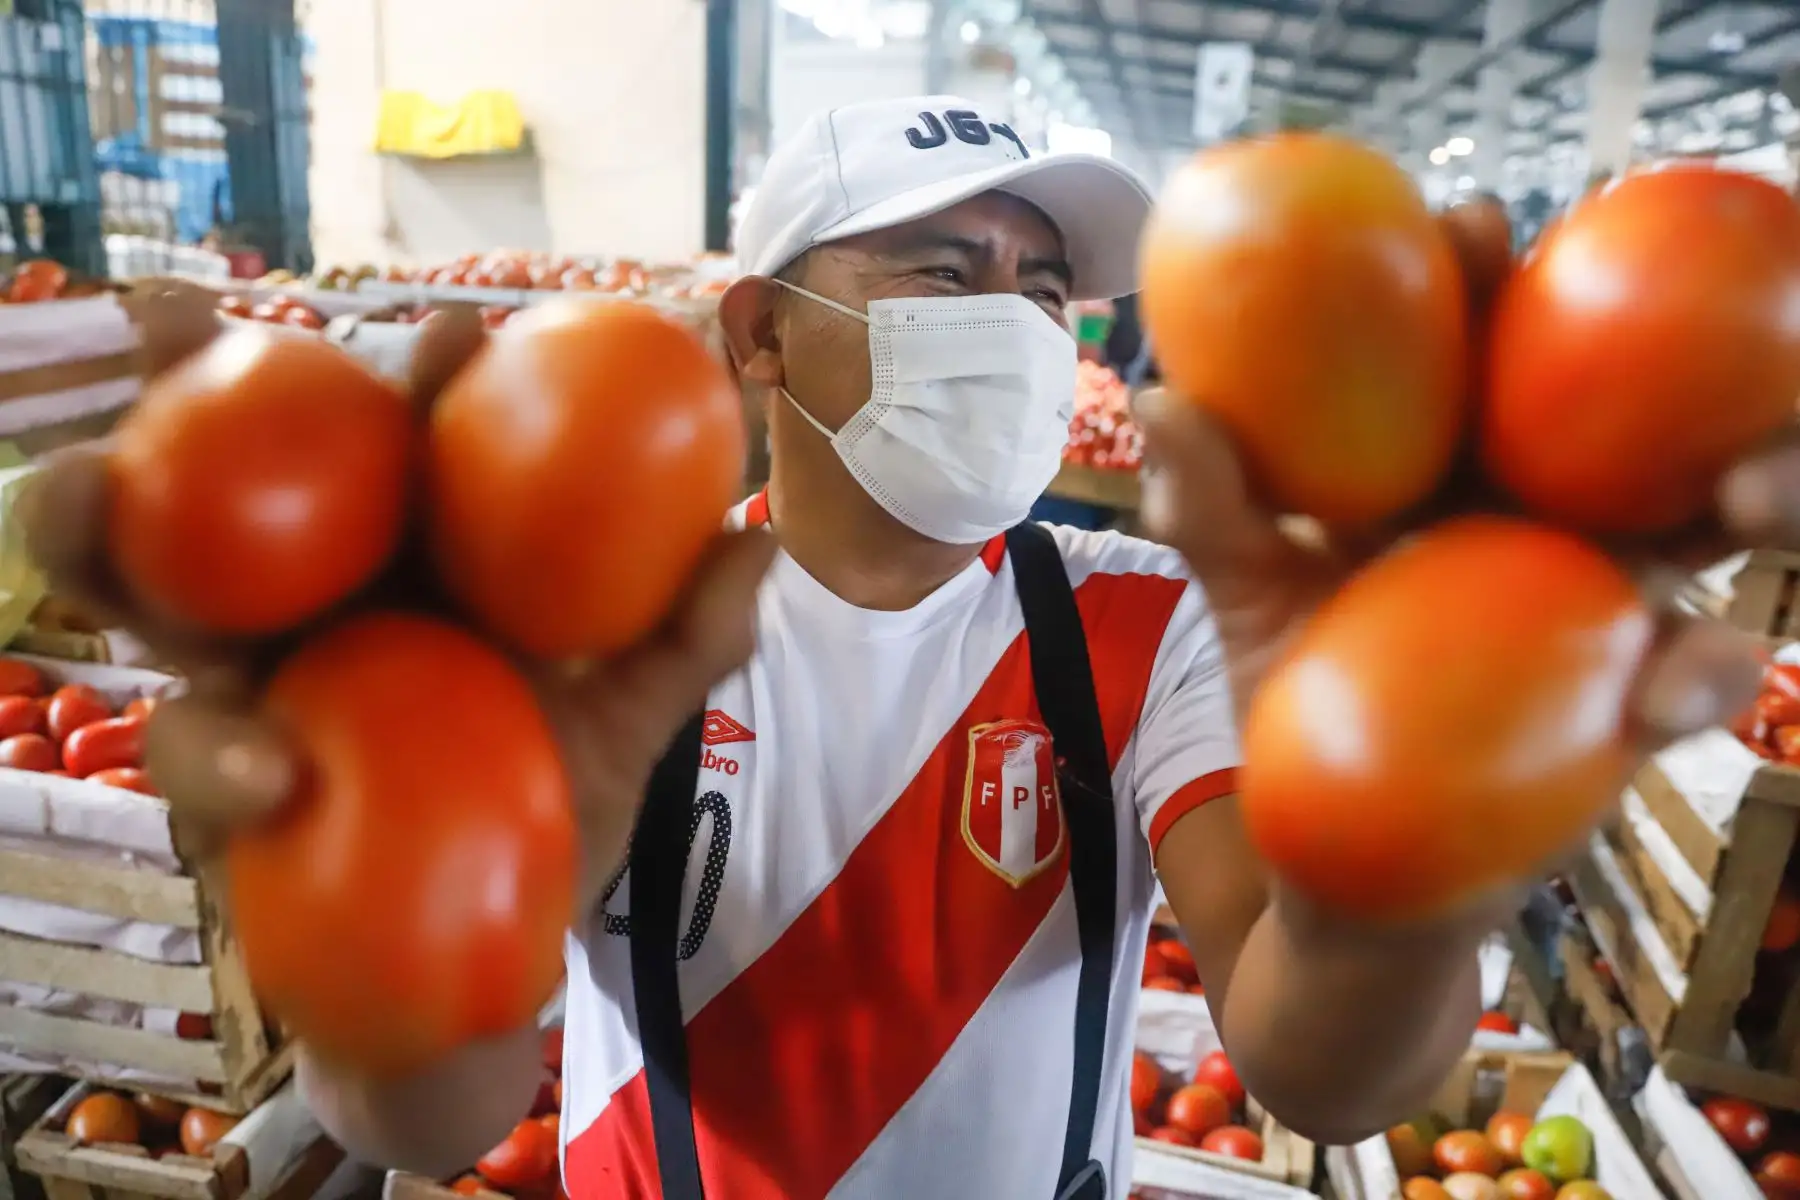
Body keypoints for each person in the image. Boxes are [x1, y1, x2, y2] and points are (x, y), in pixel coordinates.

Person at [20, 95, 1795, 1198]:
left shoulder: (1142, 620)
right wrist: (397, 895)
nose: (1013, 323)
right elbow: (425, 1118)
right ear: (763, 341)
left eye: (1042, 284)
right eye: (939, 271)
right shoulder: (608, 636)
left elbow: (1313, 1066)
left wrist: (1404, 875)